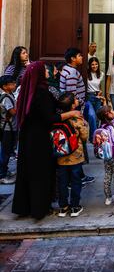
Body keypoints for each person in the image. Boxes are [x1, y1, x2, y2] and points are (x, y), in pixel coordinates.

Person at [12, 62, 79, 220]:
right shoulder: (41, 93)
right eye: (45, 70)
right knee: (41, 174)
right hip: (40, 138)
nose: (49, 72)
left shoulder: (28, 91)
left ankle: (25, 207)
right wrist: (71, 114)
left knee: (28, 172)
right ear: (40, 74)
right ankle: (39, 208)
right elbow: (49, 118)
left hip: (27, 137)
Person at [60, 48, 94, 185]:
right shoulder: (72, 72)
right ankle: (77, 176)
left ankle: (77, 175)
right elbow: (71, 94)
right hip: (74, 111)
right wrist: (78, 107)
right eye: (79, 55)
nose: (82, 57)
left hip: (71, 110)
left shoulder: (66, 70)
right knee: (77, 142)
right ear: (73, 58)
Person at [56, 92, 89, 218]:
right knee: (76, 181)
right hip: (75, 156)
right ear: (72, 106)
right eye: (75, 99)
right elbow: (85, 136)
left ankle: (63, 207)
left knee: (62, 182)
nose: (77, 100)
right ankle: (75, 206)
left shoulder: (59, 117)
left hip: (60, 156)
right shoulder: (77, 119)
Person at [0, 75, 18, 184]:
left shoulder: (10, 95)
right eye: (12, 84)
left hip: (10, 127)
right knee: (5, 152)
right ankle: (2, 175)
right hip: (7, 129)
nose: (14, 85)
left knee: (7, 151)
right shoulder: (6, 98)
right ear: (5, 86)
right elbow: (13, 112)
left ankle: (5, 171)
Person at [85, 57, 105, 142]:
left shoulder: (101, 74)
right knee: (92, 116)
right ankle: (94, 138)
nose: (94, 66)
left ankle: (94, 139)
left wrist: (100, 93)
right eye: (92, 64)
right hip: (89, 96)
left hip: (97, 97)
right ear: (89, 65)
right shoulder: (86, 74)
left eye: (96, 64)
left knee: (97, 118)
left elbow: (99, 86)